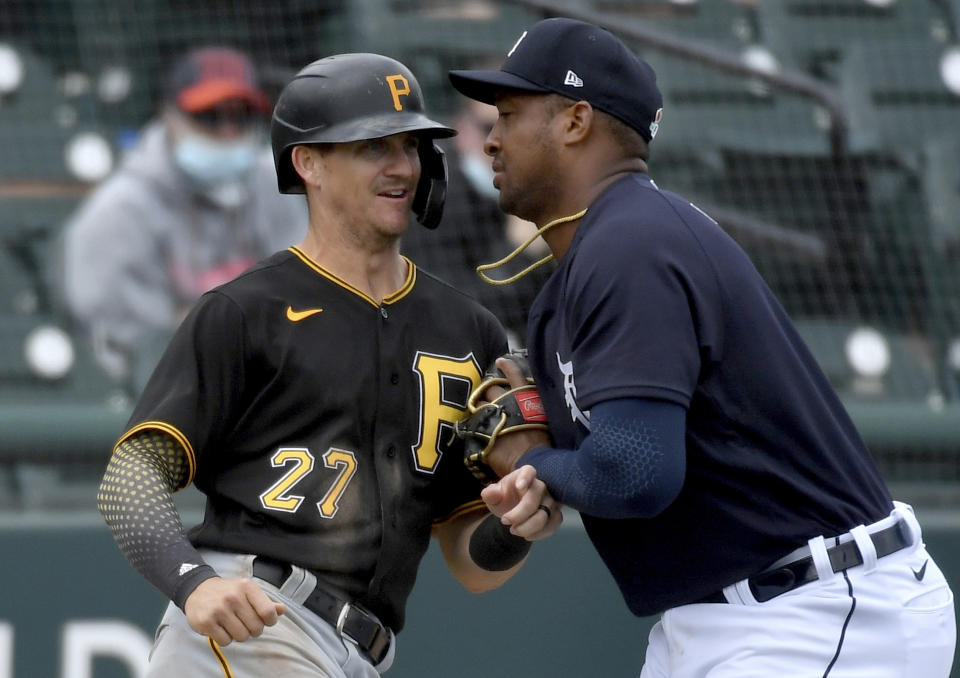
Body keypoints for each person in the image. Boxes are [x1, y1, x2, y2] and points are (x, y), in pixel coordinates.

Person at [448, 17, 957, 677]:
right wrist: (539, 488)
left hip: (817, 610)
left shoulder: (632, 242)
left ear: (575, 122)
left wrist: (543, 468)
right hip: (729, 615)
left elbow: (634, 473)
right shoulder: (579, 280)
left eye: (510, 113)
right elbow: (606, 468)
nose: (491, 138)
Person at [96, 52, 561, 677]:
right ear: (308, 162)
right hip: (257, 619)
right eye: (373, 147)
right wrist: (193, 582)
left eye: (412, 146)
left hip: (358, 651)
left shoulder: (467, 329)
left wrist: (515, 524)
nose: (402, 167)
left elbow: (468, 563)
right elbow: (128, 478)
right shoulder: (246, 310)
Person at [62, 46, 308, 383]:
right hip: (161, 398)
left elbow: (306, 300)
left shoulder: (271, 182)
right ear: (168, 116)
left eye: (242, 116)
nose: (228, 132)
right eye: (209, 116)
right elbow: (139, 345)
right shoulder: (119, 213)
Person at [400, 96, 549, 346]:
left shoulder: (536, 186)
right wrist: (518, 249)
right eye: (487, 128)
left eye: (516, 128)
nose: (498, 142)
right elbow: (449, 313)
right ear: (462, 128)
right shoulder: (432, 195)